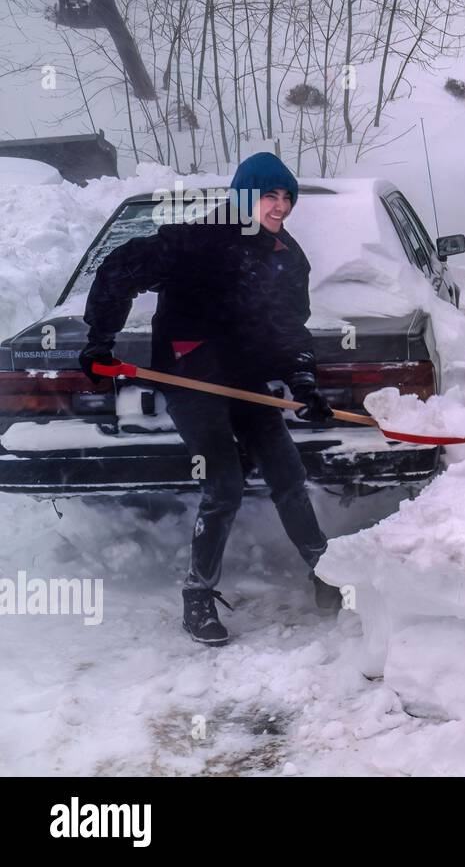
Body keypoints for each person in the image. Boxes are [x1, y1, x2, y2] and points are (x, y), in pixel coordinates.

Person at [80, 152, 342, 647]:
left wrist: (304, 382)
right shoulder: (194, 240)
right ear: (244, 195)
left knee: (289, 476)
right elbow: (119, 270)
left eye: (288, 196)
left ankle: (328, 574)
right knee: (224, 484)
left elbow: (289, 329)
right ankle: (197, 596)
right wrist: (100, 341)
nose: (281, 205)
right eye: (270, 194)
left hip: (246, 382)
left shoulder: (286, 256)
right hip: (192, 378)